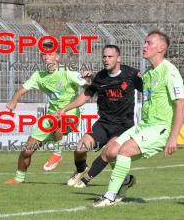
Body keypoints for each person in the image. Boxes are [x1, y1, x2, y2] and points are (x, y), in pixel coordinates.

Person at [94, 30, 184, 207]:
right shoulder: (149, 73)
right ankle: (126, 181)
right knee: (110, 152)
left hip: (160, 127)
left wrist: (173, 137)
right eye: (144, 42)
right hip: (144, 125)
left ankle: (110, 196)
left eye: (148, 43)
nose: (144, 46)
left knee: (125, 151)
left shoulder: (170, 72)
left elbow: (181, 104)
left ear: (161, 48)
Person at [54, 45, 142, 188]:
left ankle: (85, 180)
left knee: (109, 152)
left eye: (110, 57)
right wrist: (65, 109)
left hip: (123, 126)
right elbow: (85, 96)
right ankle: (81, 170)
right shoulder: (100, 77)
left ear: (118, 58)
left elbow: (149, 90)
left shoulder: (131, 74)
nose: (106, 60)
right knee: (80, 149)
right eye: (104, 57)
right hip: (104, 123)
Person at [5, 41, 90, 184]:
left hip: (70, 114)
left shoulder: (68, 72)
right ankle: (19, 179)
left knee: (57, 119)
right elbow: (21, 90)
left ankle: (57, 153)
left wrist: (89, 77)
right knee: (27, 150)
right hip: (51, 116)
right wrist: (14, 101)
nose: (46, 57)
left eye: (50, 54)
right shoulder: (39, 75)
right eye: (44, 55)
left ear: (58, 57)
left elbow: (88, 86)